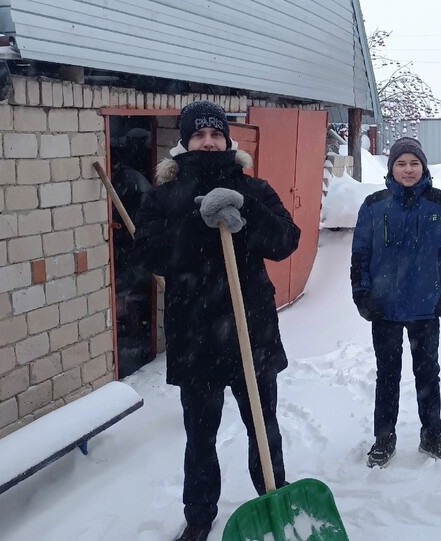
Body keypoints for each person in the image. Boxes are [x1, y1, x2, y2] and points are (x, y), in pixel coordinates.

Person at [134, 100, 300, 541]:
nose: (208, 142)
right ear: (184, 142)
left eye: (215, 135)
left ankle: (273, 499)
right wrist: (196, 219)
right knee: (200, 437)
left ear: (228, 140)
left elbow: (286, 241)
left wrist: (245, 212)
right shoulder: (162, 198)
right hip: (196, 337)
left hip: (252, 332)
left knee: (263, 430)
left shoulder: (256, 188)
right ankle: (199, 517)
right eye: (198, 135)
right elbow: (149, 254)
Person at [351, 137, 441, 468]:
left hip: (425, 306)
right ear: (391, 168)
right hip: (384, 308)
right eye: (401, 163)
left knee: (428, 375)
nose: (408, 169)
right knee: (388, 374)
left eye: (414, 163)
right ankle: (384, 437)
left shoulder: (440, 203)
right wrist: (362, 295)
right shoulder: (374, 204)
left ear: (423, 167)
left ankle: (431, 435)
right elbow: (360, 255)